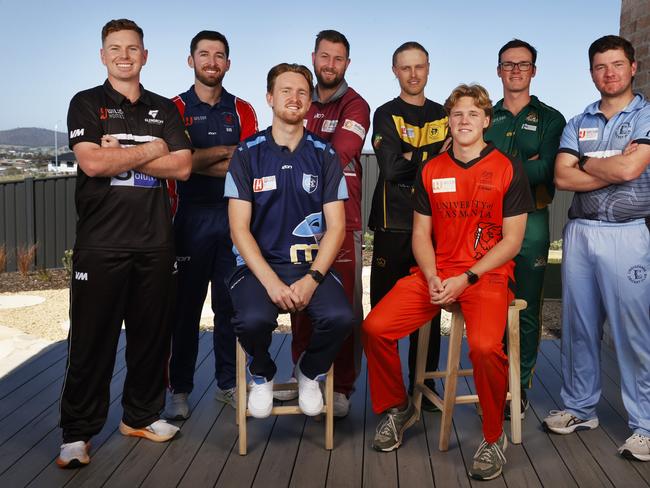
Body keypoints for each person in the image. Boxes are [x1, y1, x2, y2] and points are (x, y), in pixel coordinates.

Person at [363, 84, 533, 481]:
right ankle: (397, 408)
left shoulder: (508, 167)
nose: (464, 121)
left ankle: (493, 437)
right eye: (457, 114)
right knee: (375, 328)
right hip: (437, 273)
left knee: (487, 347)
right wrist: (433, 274)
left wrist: (467, 277)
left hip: (485, 276)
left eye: (473, 114)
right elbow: (421, 234)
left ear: (486, 121)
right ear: (448, 123)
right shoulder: (432, 169)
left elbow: (513, 241)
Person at [58, 19, 192, 468]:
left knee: (151, 338)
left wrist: (126, 151)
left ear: (144, 56)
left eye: (132, 48)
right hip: (100, 243)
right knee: (92, 343)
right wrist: (153, 148)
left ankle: (140, 415)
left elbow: (184, 167)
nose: (124, 55)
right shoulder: (86, 103)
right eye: (115, 48)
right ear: (103, 56)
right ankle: (77, 435)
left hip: (155, 242)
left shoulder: (164, 108)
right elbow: (93, 163)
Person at [224, 63, 354, 419]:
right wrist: (271, 282)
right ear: (269, 98)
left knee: (342, 318)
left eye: (301, 92)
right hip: (258, 268)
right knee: (251, 320)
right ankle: (262, 373)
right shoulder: (248, 153)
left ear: (309, 102)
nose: (294, 98)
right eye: (285, 90)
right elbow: (239, 229)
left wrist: (311, 280)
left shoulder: (325, 155)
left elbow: (337, 227)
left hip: (308, 265)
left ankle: (310, 372)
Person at [544, 35, 650, 462]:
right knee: (579, 326)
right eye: (600, 66)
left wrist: (584, 162)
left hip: (628, 231)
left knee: (633, 332)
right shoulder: (578, 121)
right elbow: (562, 178)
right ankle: (579, 407)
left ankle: (644, 424)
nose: (609, 73)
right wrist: (607, 167)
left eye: (617, 65)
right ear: (591, 72)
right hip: (581, 231)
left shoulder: (645, 115)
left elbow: (632, 167)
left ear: (633, 67)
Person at [276, 30, 370, 418]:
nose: (330, 65)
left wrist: (295, 148)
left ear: (347, 64)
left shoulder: (357, 105)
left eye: (338, 59)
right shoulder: (301, 97)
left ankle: (342, 386)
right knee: (302, 302)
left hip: (342, 222)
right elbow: (279, 147)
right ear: (314, 57)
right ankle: (305, 376)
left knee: (343, 308)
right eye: (324, 57)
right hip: (297, 219)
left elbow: (340, 154)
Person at [164, 30, 258, 420]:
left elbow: (248, 165)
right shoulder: (172, 108)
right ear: (191, 61)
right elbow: (178, 166)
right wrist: (222, 153)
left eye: (219, 56)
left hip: (234, 217)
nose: (212, 62)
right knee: (184, 309)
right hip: (187, 216)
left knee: (230, 306)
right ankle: (179, 390)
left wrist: (197, 158)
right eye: (204, 54)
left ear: (228, 64)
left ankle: (228, 384)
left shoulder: (244, 110)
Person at [485, 39, 565, 416]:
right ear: (498, 70)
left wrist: (495, 169)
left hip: (532, 220)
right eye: (508, 64)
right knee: (490, 305)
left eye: (523, 64)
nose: (516, 70)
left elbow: (547, 169)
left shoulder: (551, 118)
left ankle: (518, 387)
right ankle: (493, 381)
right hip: (485, 223)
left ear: (534, 70)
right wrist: (522, 166)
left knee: (527, 307)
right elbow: (471, 162)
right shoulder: (486, 114)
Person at [368, 41, 448, 410]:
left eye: (420, 67)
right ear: (395, 71)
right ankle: (391, 395)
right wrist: (433, 156)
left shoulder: (444, 113)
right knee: (383, 315)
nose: (413, 74)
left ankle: (425, 390)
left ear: (429, 68)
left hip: (433, 227)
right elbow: (389, 168)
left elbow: (449, 162)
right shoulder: (385, 113)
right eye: (406, 68)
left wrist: (409, 155)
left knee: (427, 312)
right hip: (391, 224)